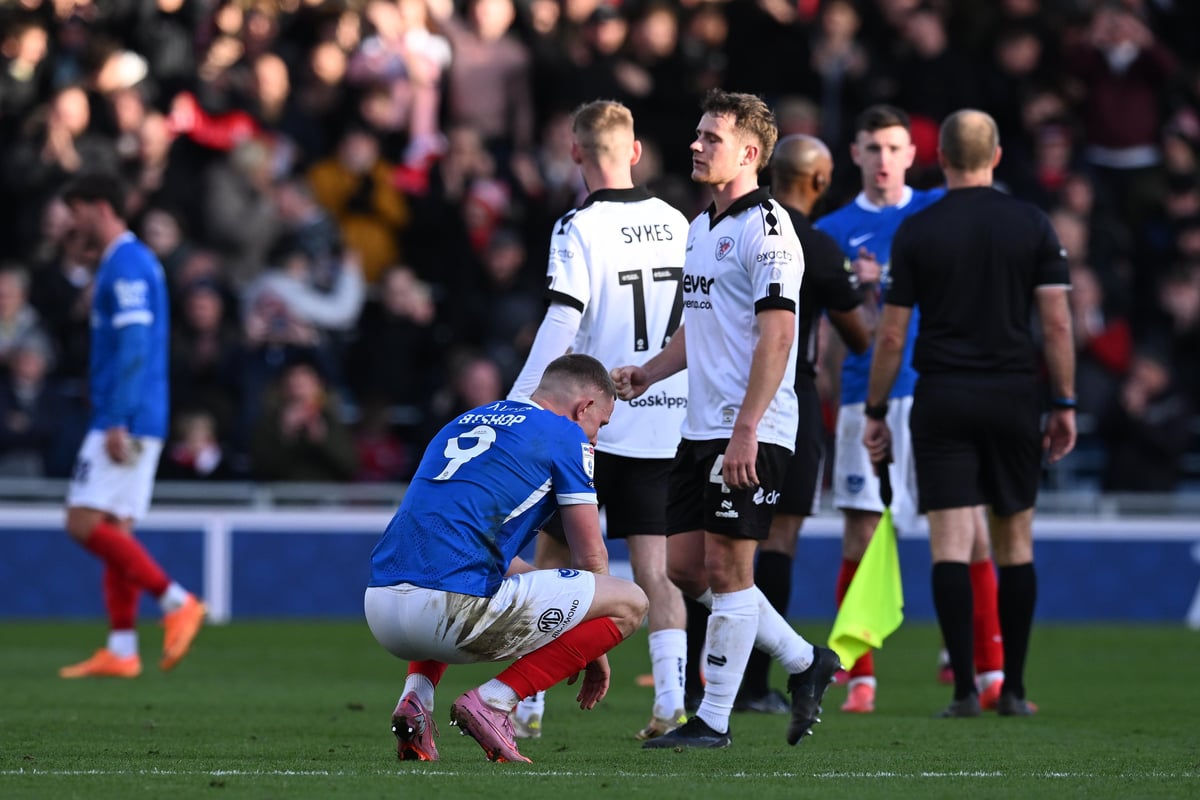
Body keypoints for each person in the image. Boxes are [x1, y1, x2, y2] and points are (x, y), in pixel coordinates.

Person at [612, 89, 841, 750]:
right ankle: (804, 661)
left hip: (752, 429)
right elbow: (700, 328)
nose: (696, 144)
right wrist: (650, 372)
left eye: (711, 137)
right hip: (698, 426)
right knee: (684, 570)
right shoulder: (700, 226)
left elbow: (778, 338)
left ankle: (712, 720)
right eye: (698, 133)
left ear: (749, 153)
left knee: (729, 574)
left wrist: (747, 428)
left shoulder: (769, 230)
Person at [862, 109, 1075, 718]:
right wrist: (1063, 402)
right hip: (1014, 395)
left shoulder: (919, 230)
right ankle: (1011, 688)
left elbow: (894, 337)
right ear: (998, 156)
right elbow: (1057, 323)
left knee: (949, 545)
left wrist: (876, 410)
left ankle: (961, 692)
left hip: (944, 396)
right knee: (1014, 541)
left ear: (942, 160)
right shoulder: (1033, 223)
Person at [504, 99, 691, 741]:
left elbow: (562, 317)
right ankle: (670, 703)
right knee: (653, 569)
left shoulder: (576, 227)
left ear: (574, 152)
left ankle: (526, 706)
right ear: (636, 151)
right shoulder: (679, 220)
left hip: (588, 422)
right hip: (665, 414)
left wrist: (523, 398)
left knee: (555, 562)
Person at [364, 353, 649, 764]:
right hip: (446, 611)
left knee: (468, 574)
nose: (596, 439)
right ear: (584, 407)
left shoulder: (463, 421)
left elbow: (482, 555)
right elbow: (591, 554)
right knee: (631, 602)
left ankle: (416, 699)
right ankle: (495, 702)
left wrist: (561, 601)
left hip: (379, 606)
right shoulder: (566, 435)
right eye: (600, 425)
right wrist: (592, 646)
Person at [814, 104, 1006, 713]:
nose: (883, 160)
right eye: (872, 148)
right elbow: (827, 330)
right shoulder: (834, 230)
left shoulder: (934, 213)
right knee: (862, 534)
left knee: (970, 532)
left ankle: (988, 663)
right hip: (859, 393)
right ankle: (859, 674)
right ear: (855, 154)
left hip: (934, 389)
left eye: (894, 148)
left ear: (914, 155)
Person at [735, 133, 871, 713]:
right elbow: (858, 334)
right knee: (777, 540)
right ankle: (755, 684)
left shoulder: (736, 227)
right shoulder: (814, 244)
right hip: (791, 397)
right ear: (818, 181)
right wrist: (860, 284)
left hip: (722, 396)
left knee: (720, 544)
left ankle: (705, 680)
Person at [57, 172, 206, 679]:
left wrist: (117, 417)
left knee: (82, 523)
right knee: (115, 528)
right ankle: (122, 648)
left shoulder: (125, 263)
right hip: (140, 412)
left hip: (125, 416)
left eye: (75, 210)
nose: (70, 222)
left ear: (98, 206)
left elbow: (136, 345)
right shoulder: (128, 261)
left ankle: (176, 600)